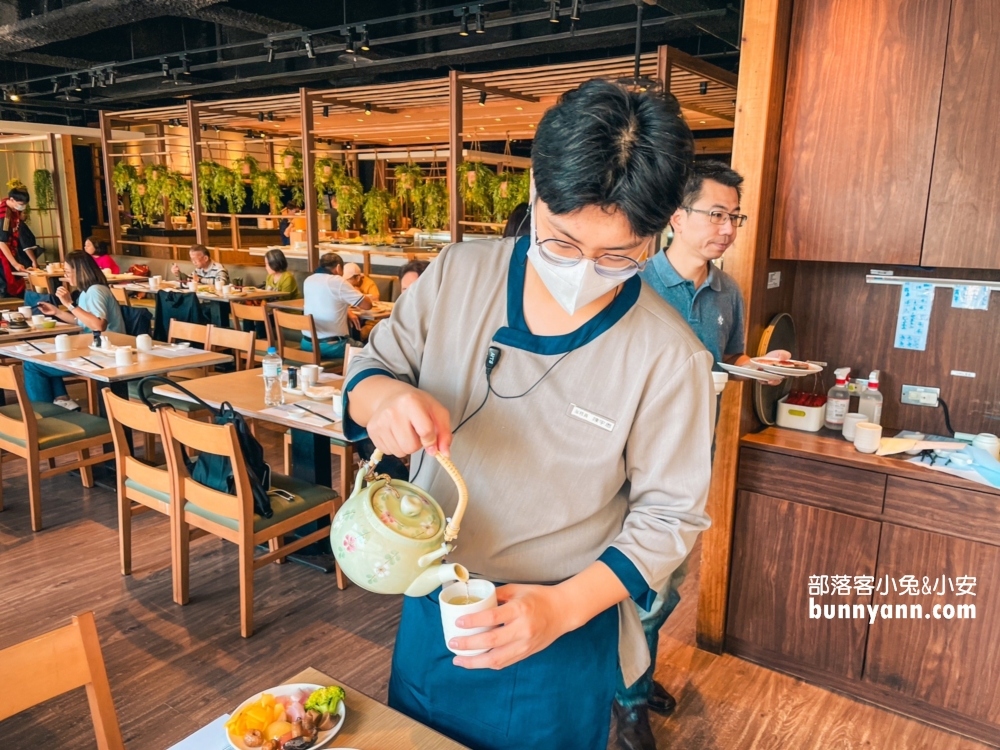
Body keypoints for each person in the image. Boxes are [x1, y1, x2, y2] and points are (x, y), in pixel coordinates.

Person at [342, 79, 713, 750]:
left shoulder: (669, 356)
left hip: (562, 622)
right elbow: (371, 368)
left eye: (617, 256)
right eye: (562, 242)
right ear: (536, 196)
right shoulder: (460, 274)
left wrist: (561, 609)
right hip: (436, 599)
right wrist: (386, 401)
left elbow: (669, 517)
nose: (583, 271)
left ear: (655, 238)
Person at [612, 161, 789, 750]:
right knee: (637, 583)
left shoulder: (726, 292)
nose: (727, 227)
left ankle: (632, 677)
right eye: (716, 213)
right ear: (675, 217)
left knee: (667, 585)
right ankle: (627, 698)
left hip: (692, 461)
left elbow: (727, 361)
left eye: (734, 216)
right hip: (628, 463)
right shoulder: (633, 283)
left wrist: (755, 368)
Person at [26, 251, 126, 410]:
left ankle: (44, 415)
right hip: (93, 349)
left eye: (67, 271)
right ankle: (63, 400)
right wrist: (57, 312)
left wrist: (70, 304)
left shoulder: (96, 291)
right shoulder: (87, 292)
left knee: (32, 365)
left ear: (79, 271)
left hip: (104, 354)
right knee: (42, 358)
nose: (65, 276)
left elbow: (98, 325)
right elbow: (82, 321)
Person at [301, 252, 373, 359]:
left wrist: (347, 311)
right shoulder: (337, 281)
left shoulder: (308, 280)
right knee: (368, 352)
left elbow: (325, 302)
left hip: (306, 344)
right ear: (339, 268)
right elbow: (367, 305)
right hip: (333, 346)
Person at [0, 186, 33, 296]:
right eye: (20, 203)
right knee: (7, 285)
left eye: (24, 204)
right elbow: (2, 242)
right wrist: (15, 264)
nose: (22, 207)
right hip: (3, 253)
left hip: (11, 249)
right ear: (12, 199)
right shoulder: (4, 215)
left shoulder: (10, 207)